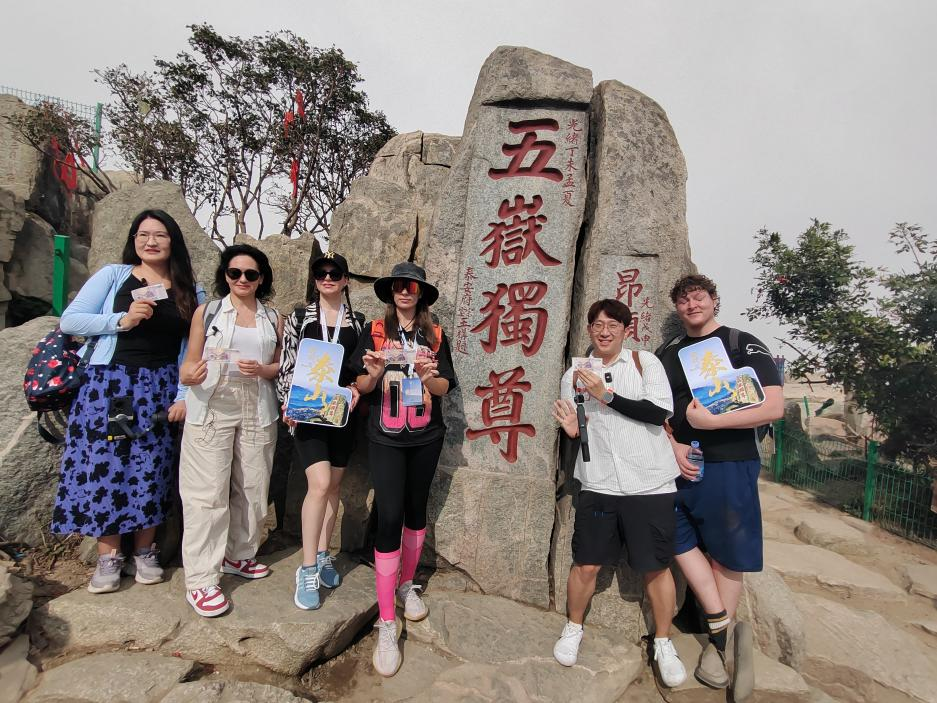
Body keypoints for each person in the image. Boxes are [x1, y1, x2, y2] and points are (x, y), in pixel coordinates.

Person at [51, 209, 202, 594]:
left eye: (159, 234)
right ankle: (108, 557)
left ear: (174, 242)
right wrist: (121, 320)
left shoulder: (190, 290)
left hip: (160, 386)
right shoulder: (114, 276)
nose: (150, 241)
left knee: (152, 465)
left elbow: (191, 348)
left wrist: (183, 394)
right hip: (113, 383)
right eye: (142, 234)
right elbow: (71, 321)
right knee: (108, 465)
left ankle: (145, 551)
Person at [656, 274, 783, 701]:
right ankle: (721, 620)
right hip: (674, 463)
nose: (692, 305)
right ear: (677, 308)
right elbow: (654, 409)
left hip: (729, 462)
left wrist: (713, 422)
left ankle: (717, 646)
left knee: (727, 552)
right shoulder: (668, 352)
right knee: (670, 534)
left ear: (713, 300)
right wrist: (672, 444)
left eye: (699, 297)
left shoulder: (740, 343)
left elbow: (774, 405)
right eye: (684, 300)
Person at [551, 299, 687, 687]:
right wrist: (573, 431)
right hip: (599, 482)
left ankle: (663, 640)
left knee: (655, 566)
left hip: (650, 483)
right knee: (587, 563)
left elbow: (658, 413)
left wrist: (606, 394)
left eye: (612, 324)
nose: (604, 330)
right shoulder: (575, 373)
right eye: (597, 324)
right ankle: (573, 626)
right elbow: (575, 421)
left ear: (627, 329)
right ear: (589, 330)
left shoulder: (646, 364)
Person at [350, 261, 457, 677]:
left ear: (421, 292)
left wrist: (429, 376)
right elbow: (360, 385)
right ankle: (387, 623)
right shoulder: (375, 331)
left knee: (415, 512)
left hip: (426, 436)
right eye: (399, 285)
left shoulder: (435, 334)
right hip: (385, 436)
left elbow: (445, 386)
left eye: (411, 286)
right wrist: (373, 374)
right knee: (389, 516)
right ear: (391, 291)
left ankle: (406, 584)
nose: (405, 291)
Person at [178, 244, 282, 617]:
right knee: (207, 493)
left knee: (254, 486)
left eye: (250, 274)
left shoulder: (274, 318)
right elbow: (188, 366)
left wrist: (263, 370)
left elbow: (278, 367)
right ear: (225, 276)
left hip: (258, 402)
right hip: (213, 402)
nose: (242, 280)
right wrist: (191, 375)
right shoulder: (207, 313)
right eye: (235, 273)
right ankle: (202, 580)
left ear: (261, 279)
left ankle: (239, 555)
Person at [275, 251, 364, 611]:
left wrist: (358, 388)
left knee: (335, 487)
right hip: (307, 409)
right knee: (320, 483)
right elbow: (288, 362)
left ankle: (325, 553)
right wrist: (286, 402)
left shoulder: (357, 322)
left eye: (335, 273)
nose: (327, 278)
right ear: (315, 279)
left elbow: (358, 369)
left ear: (345, 279)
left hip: (342, 411)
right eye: (321, 273)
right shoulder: (300, 316)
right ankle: (307, 567)